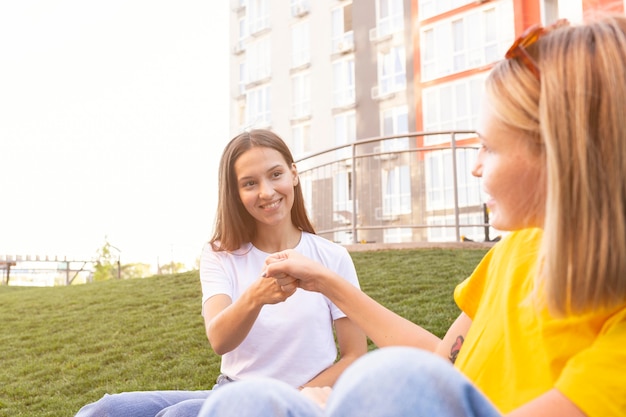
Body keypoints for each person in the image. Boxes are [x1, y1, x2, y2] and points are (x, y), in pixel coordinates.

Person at [196, 15, 626, 417]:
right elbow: (445, 362)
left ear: (562, 155)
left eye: (489, 147)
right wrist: (324, 282)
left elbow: (413, 383)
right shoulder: (516, 250)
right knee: (239, 400)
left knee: (373, 382)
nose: (475, 165)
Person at [74, 129, 367, 417]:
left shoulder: (331, 257)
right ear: (236, 193)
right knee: (106, 410)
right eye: (250, 183)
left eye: (275, 174)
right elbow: (219, 340)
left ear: (294, 174)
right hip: (233, 391)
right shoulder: (219, 254)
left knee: (181, 415)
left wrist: (296, 398)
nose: (266, 192)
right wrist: (256, 296)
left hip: (301, 398)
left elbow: (355, 355)